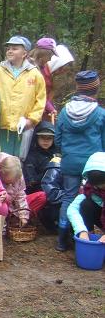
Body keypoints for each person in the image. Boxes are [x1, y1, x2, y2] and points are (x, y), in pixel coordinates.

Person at [54, 70, 105, 251]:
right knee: (90, 197)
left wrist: (66, 152)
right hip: (94, 166)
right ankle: (84, 235)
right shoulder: (100, 114)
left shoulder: (64, 112)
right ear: (95, 89)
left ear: (78, 89)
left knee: (69, 198)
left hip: (69, 162)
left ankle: (62, 239)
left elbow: (57, 139)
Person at [0, 35, 46, 156]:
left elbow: (40, 100)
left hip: (24, 128)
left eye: (15, 48)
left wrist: (31, 120)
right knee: (2, 160)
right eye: (8, 48)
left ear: (24, 53)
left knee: (19, 161)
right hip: (2, 126)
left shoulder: (35, 74)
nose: (10, 51)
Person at [30, 38, 73, 122]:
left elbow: (47, 97)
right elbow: (39, 95)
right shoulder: (40, 72)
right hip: (33, 113)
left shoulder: (50, 75)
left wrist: (51, 109)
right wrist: (50, 108)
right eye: (61, 69)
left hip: (42, 112)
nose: (61, 73)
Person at [67, 152, 105, 243]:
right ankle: (88, 236)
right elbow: (72, 209)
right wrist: (82, 230)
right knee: (86, 204)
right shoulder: (89, 189)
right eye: (98, 187)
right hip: (100, 216)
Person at [0, 154, 41, 228]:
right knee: (3, 206)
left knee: (41, 196)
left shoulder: (18, 176)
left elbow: (21, 197)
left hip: (16, 206)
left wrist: (24, 216)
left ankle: (19, 219)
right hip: (4, 206)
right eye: (9, 181)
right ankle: (9, 221)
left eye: (14, 181)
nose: (11, 183)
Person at [23, 121, 58, 194]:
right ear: (36, 138)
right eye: (42, 137)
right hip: (38, 193)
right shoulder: (31, 156)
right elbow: (30, 182)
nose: (46, 140)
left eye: (49, 138)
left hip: (56, 191)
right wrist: (48, 171)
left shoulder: (57, 155)